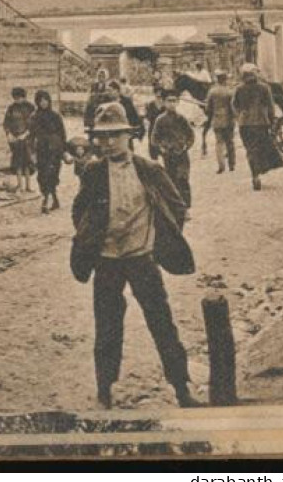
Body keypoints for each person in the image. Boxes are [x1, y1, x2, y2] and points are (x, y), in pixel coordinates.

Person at [71, 103, 198, 410]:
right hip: (107, 261)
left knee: (162, 324)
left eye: (115, 135)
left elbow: (176, 206)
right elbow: (79, 211)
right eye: (102, 136)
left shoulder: (149, 170)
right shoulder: (94, 171)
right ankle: (105, 390)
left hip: (142, 259)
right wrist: (92, 238)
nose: (108, 142)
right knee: (107, 327)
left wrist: (156, 241)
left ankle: (182, 389)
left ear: (128, 135)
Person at [232, 63, 283, 191]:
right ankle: (259, 171)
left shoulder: (238, 89)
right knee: (261, 147)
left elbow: (234, 105)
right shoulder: (264, 88)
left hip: (245, 125)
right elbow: (271, 107)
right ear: (255, 74)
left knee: (250, 150)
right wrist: (272, 122)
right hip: (260, 123)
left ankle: (255, 175)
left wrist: (240, 115)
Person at [150, 91, 195, 210]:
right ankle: (176, 206)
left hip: (182, 154)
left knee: (183, 178)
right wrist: (161, 149)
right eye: (169, 101)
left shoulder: (182, 119)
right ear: (164, 103)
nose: (172, 104)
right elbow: (154, 138)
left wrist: (187, 146)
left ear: (178, 102)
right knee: (171, 180)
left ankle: (186, 206)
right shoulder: (160, 120)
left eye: (174, 101)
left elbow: (191, 135)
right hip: (168, 156)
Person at [29, 89, 67, 213]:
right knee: (42, 175)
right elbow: (31, 135)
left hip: (55, 149)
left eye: (46, 100)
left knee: (52, 173)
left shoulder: (55, 116)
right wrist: (32, 152)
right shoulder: (34, 117)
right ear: (37, 102)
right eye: (41, 101)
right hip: (42, 149)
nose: (43, 103)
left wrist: (64, 150)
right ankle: (50, 199)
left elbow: (62, 134)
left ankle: (49, 199)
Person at [3, 87, 35, 192]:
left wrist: (26, 133)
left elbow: (34, 124)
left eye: (19, 98)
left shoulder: (30, 108)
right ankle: (20, 185)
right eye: (15, 98)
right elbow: (6, 122)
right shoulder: (11, 108)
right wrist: (9, 134)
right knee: (18, 163)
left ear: (24, 97)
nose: (17, 100)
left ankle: (28, 186)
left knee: (27, 162)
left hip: (27, 140)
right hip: (15, 139)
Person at [204, 70, 236, 174]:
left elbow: (208, 108)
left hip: (217, 121)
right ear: (225, 79)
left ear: (217, 79)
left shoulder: (212, 92)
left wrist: (211, 112)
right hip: (229, 121)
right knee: (230, 142)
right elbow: (233, 107)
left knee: (219, 143)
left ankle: (221, 165)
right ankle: (232, 165)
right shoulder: (230, 91)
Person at [107, 79, 145, 144]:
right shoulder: (106, 101)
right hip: (110, 135)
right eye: (107, 91)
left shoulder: (126, 101)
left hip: (125, 134)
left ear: (116, 90)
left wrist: (137, 130)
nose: (108, 93)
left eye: (110, 90)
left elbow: (134, 116)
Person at [144, 86, 166, 159]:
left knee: (165, 152)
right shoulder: (151, 104)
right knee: (153, 152)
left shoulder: (166, 105)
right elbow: (148, 117)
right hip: (153, 129)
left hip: (164, 131)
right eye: (157, 94)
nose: (159, 96)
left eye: (160, 95)